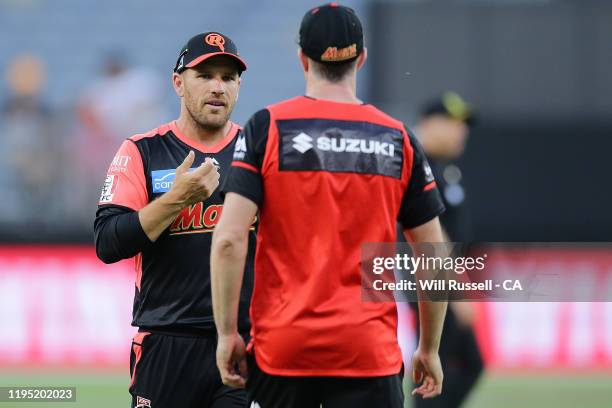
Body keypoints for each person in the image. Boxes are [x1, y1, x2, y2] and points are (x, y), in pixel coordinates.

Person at [210, 4, 447, 407]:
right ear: (362, 58)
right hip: (368, 351)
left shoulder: (268, 126)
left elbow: (230, 239)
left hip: (283, 349)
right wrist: (429, 347)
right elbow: (433, 255)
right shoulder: (397, 138)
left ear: (302, 58)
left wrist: (228, 333)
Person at [94, 32, 254, 408]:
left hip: (243, 344)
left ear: (239, 86)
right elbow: (107, 243)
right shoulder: (142, 150)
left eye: (228, 78)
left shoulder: (258, 151)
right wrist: (177, 200)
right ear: (178, 83)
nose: (218, 87)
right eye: (205, 75)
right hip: (166, 341)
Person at [410, 92, 484, 408]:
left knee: (465, 365)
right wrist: (458, 292)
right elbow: (432, 235)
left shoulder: (442, 168)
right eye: (453, 123)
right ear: (430, 123)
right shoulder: (419, 164)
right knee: (437, 368)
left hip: (442, 282)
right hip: (434, 285)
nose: (461, 131)